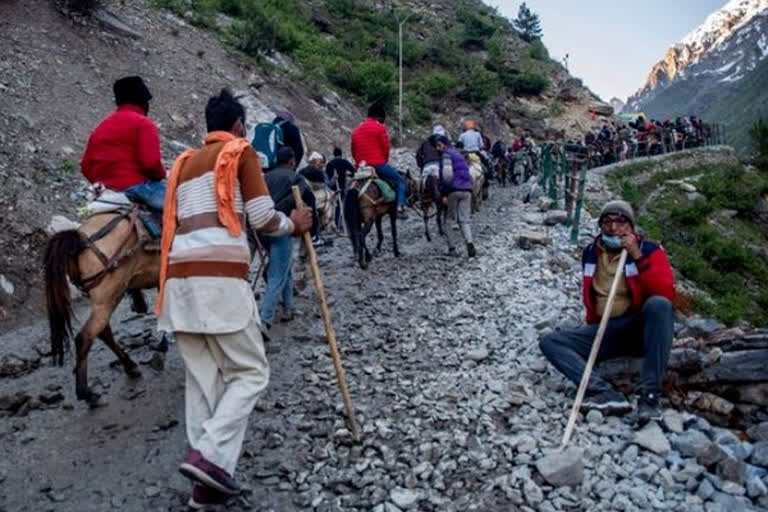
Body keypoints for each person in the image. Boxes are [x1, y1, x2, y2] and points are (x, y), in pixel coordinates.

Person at [156, 89, 312, 509]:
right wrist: (293, 223)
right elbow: (261, 218)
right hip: (220, 280)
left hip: (178, 283)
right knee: (250, 371)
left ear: (209, 126)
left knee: (202, 381)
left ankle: (203, 489)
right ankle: (208, 457)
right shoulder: (241, 153)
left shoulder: (184, 163)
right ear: (240, 127)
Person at [539, 200, 675, 425]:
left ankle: (649, 397)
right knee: (551, 342)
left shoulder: (649, 250)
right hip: (606, 330)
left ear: (630, 226)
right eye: (607, 222)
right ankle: (602, 393)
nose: (613, 228)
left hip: (638, 329)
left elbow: (664, 291)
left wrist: (636, 255)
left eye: (620, 222)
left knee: (659, 305)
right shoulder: (592, 252)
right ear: (600, 226)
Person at [81, 76, 166, 212]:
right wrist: (161, 175)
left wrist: (104, 181)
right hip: (135, 187)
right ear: (143, 102)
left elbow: (86, 166)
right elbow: (150, 163)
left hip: (104, 193)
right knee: (182, 210)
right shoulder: (143, 123)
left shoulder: (101, 127)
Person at [261, 146, 311, 330]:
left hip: (262, 228)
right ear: (292, 162)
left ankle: (288, 307)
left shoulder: (265, 177)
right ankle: (264, 319)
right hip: (282, 227)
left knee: (284, 269)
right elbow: (304, 198)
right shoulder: (296, 178)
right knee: (277, 274)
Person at [350, 102, 407, 218]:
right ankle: (400, 207)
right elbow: (386, 148)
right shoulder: (380, 127)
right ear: (379, 117)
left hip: (361, 167)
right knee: (400, 181)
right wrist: (384, 161)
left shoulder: (356, 130)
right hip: (377, 164)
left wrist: (358, 163)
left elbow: (353, 150)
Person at [430, 134, 476, 258]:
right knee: (464, 220)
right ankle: (469, 242)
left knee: (448, 220)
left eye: (438, 146)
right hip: (467, 190)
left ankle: (452, 248)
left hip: (453, 190)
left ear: (442, 145)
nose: (437, 149)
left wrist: (444, 193)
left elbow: (447, 175)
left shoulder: (446, 155)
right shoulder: (459, 154)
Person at [325, 147, 355, 230]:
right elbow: (353, 172)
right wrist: (347, 175)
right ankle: (339, 224)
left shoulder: (329, 163)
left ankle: (333, 224)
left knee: (331, 207)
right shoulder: (344, 162)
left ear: (333, 154)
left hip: (331, 189)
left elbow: (326, 177)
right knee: (340, 206)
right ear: (341, 154)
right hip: (341, 187)